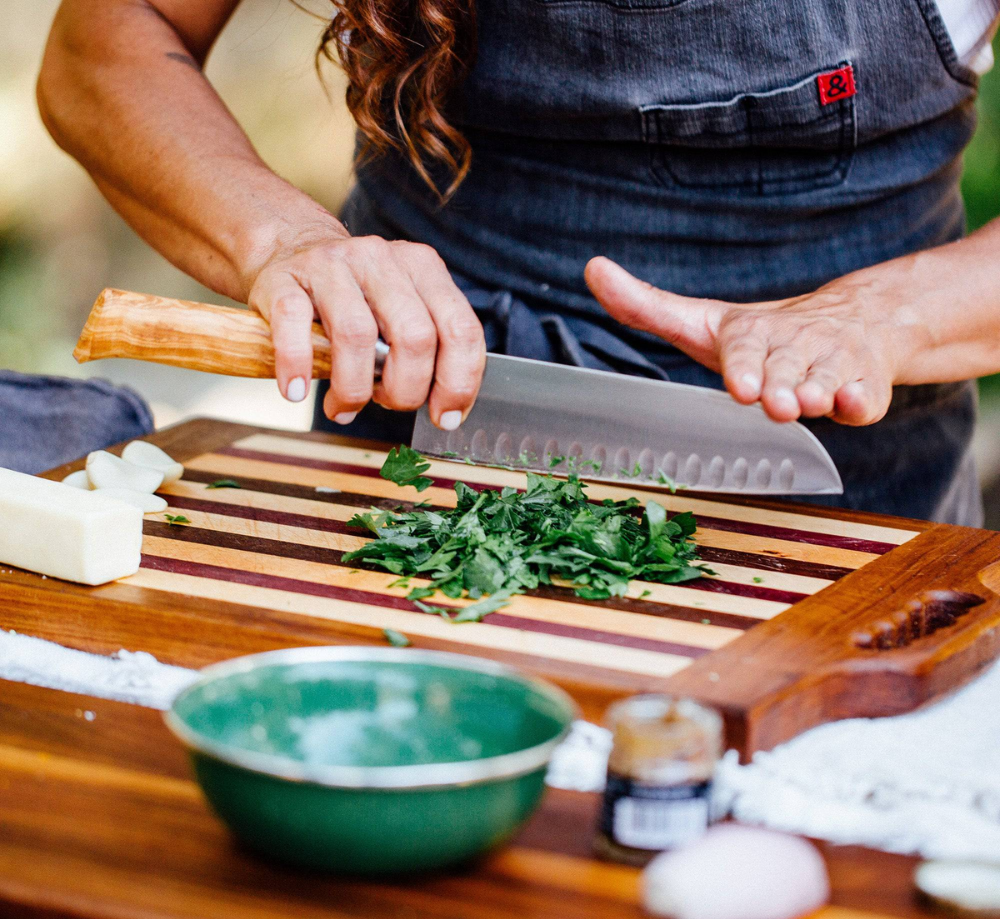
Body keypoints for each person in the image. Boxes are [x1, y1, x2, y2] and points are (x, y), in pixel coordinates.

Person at [36, 0, 1000, 523]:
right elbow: (103, 48)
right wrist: (284, 242)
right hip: (409, 446)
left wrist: (890, 317)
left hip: (839, 483)